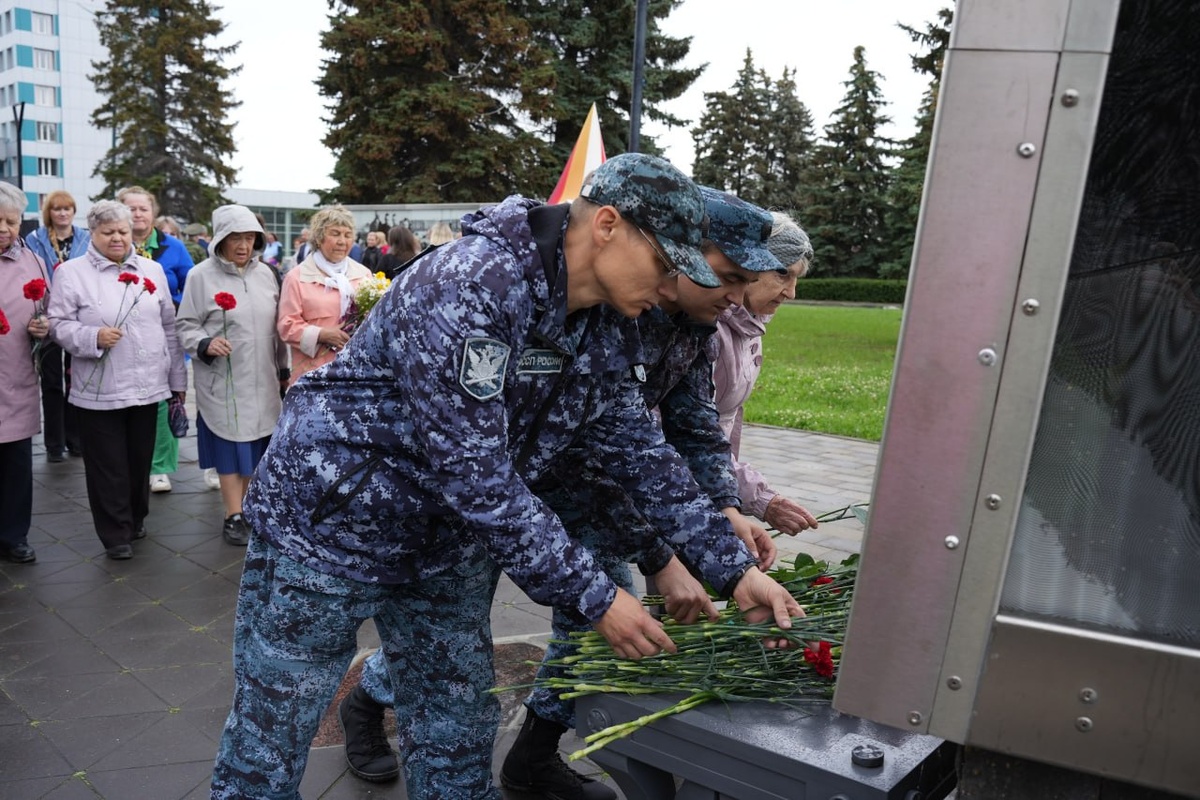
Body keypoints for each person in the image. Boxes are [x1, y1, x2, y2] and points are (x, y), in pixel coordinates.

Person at [209, 153, 802, 799]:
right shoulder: (473, 282)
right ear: (607, 226)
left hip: (445, 543)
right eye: (664, 264)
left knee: (457, 724)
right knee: (272, 736)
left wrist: (733, 570)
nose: (668, 288)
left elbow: (638, 447)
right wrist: (598, 597)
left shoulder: (606, 320)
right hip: (330, 529)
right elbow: (476, 474)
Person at [47, 200, 187, 560]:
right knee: (107, 466)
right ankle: (115, 533)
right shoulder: (71, 273)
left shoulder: (152, 270)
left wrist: (177, 382)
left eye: (123, 231)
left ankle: (136, 518)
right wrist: (92, 336)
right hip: (99, 389)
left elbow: (169, 328)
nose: (117, 238)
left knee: (139, 461)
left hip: (147, 385)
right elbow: (57, 324)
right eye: (108, 232)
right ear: (92, 233)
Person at [176, 206, 289, 547]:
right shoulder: (200, 276)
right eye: (235, 238)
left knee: (256, 445)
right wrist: (205, 343)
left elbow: (277, 329)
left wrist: (283, 369)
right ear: (221, 239)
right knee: (229, 445)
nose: (243, 245)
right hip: (223, 377)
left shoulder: (267, 274)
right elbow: (185, 324)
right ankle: (232, 514)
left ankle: (251, 509)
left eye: (249, 238)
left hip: (263, 376)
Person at [714, 212, 820, 534]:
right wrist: (759, 499)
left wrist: (728, 498)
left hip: (709, 484)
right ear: (749, 263)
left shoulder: (751, 324)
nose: (791, 292)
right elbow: (683, 434)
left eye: (797, 279)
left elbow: (724, 421)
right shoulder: (708, 328)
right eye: (783, 274)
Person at [118, 186, 194, 495]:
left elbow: (191, 285)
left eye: (143, 208)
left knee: (165, 399)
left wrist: (176, 306)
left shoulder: (173, 247)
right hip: (121, 337)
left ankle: (160, 467)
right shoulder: (111, 243)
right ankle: (129, 463)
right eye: (131, 208)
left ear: (153, 213)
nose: (137, 214)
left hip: (163, 334)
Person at [0, 183, 52, 564]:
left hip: (15, 374)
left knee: (17, 462)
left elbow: (47, 307)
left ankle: (14, 535)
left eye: (11, 221)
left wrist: (42, 326)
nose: (4, 229)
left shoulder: (31, 259)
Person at [25, 189, 89, 463]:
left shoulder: (85, 238)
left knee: (76, 379)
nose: (62, 213)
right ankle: (54, 444)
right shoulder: (35, 239)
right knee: (51, 382)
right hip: (46, 315)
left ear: (74, 212)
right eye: (57, 209)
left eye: (67, 208)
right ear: (48, 212)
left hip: (78, 316)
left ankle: (75, 439)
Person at [276, 205, 372, 385]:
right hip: (313, 375)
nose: (342, 241)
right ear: (319, 238)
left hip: (356, 374)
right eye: (335, 234)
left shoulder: (363, 274)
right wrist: (321, 334)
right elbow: (286, 325)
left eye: (348, 235)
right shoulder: (297, 277)